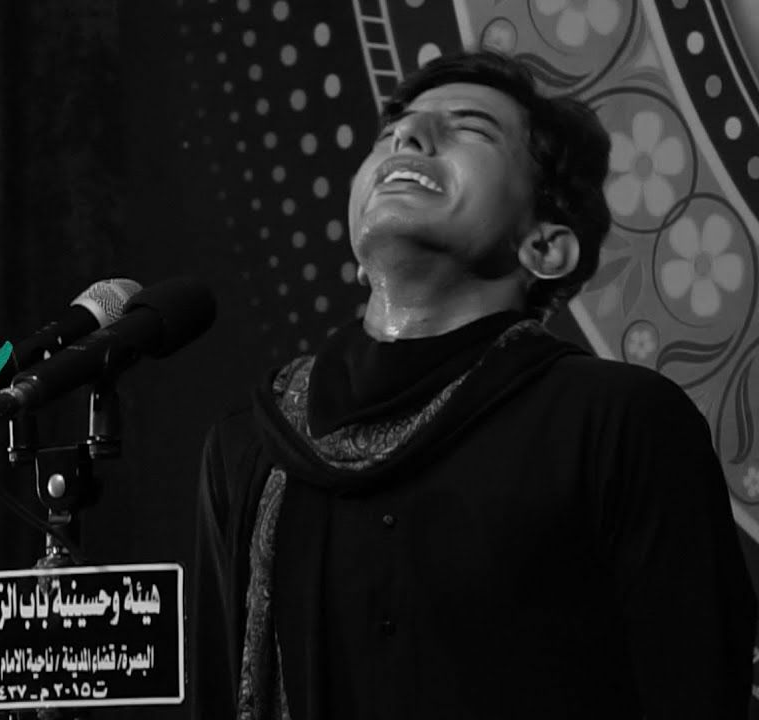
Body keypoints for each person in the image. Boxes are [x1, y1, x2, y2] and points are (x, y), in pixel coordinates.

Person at [191, 50, 756, 719]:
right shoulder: (251, 446)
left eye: (470, 128)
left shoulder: (619, 424)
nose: (409, 135)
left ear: (544, 246)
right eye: (392, 131)